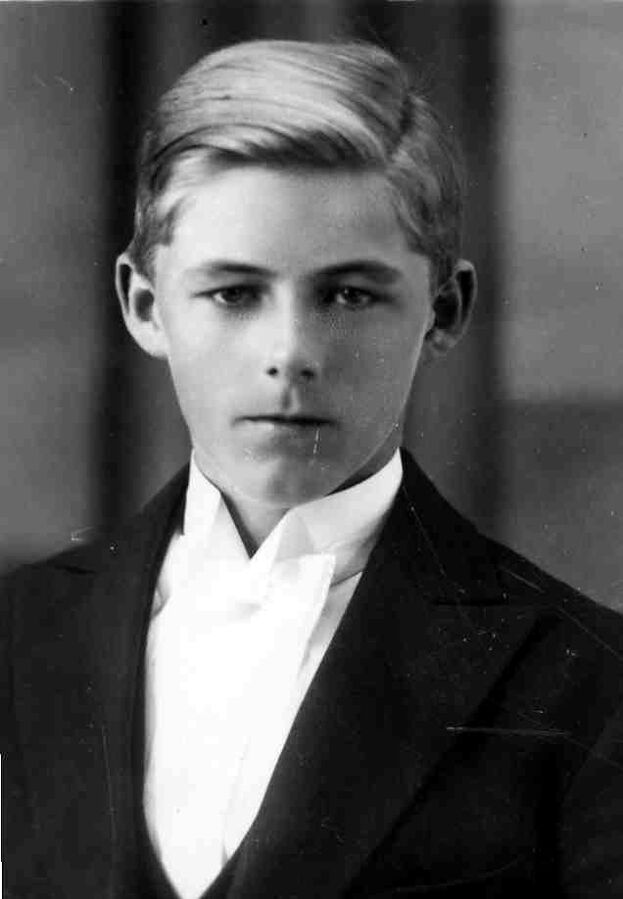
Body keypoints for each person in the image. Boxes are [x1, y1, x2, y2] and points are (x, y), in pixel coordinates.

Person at [2, 38, 623, 899]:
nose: (290, 353)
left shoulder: (586, 679)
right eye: (233, 293)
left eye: (349, 294)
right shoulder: (19, 631)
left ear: (443, 311)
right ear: (145, 306)